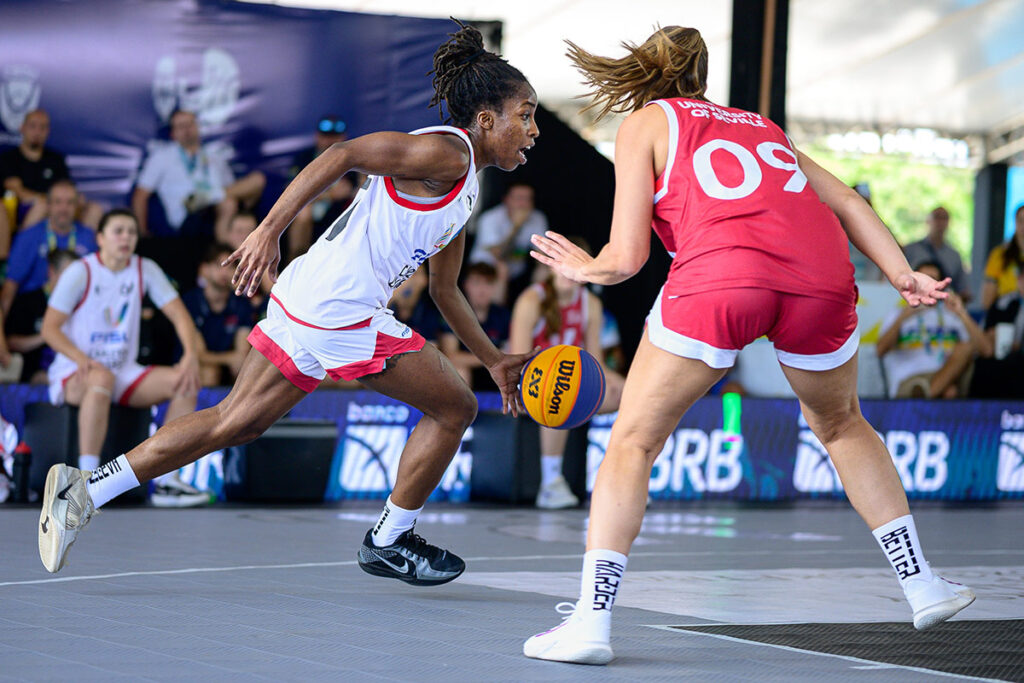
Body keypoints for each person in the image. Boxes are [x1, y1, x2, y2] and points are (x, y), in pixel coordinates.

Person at [523, 26, 973, 665]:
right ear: (702, 77)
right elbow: (844, 199)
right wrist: (902, 274)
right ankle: (922, 583)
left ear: (644, 73)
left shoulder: (645, 125)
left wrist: (585, 267)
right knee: (843, 426)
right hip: (819, 278)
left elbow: (626, 257)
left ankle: (591, 624)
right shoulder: (762, 126)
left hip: (723, 281)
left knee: (633, 441)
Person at [38, 21, 539, 582]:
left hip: (311, 298)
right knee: (456, 408)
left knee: (234, 422)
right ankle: (390, 538)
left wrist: (494, 360)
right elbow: (344, 153)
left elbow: (445, 291)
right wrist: (268, 229)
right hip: (339, 309)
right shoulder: (447, 153)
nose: (534, 130)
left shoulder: (465, 187)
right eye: (526, 114)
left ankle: (83, 492)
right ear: (487, 119)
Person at [40, 209, 209, 508]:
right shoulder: (81, 271)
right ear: (101, 238)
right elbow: (49, 328)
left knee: (185, 383)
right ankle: (86, 481)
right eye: (118, 231)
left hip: (122, 371)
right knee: (101, 377)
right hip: (75, 372)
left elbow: (180, 315)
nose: (126, 238)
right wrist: (80, 358)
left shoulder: (145, 269)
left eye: (131, 232)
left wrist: (191, 356)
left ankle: (167, 482)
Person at [509, 237, 624, 509]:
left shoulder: (589, 304)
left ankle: (620, 477)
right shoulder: (530, 300)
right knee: (559, 390)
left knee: (631, 392)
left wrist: (621, 386)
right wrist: (555, 376)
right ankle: (550, 483)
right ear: (551, 265)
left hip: (571, 379)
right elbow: (515, 360)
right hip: (529, 384)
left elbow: (595, 363)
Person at [0, 180, 98, 369]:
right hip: (34, 311)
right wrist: (2, 340)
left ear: (78, 205)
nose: (64, 208)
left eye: (70, 203)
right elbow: (9, 289)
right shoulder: (29, 237)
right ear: (48, 205)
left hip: (78, 310)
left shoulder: (88, 237)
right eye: (58, 202)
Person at [132, 109, 266, 242]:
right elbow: (140, 196)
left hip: (216, 206)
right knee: (228, 203)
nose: (187, 130)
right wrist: (142, 233)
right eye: (181, 126)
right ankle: (225, 256)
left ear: (197, 126)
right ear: (173, 133)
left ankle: (209, 197)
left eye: (190, 124)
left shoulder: (214, 157)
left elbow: (232, 189)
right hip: (188, 216)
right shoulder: (161, 157)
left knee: (256, 180)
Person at [876, 261, 986, 398]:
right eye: (923, 279)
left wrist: (961, 313)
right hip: (910, 380)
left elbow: (986, 351)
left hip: (945, 375)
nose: (926, 286)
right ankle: (933, 392)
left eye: (932, 280)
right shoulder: (898, 313)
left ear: (940, 286)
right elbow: (880, 350)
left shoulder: (951, 314)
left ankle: (927, 395)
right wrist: (903, 317)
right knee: (949, 392)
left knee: (965, 349)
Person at [0, 108, 103, 230]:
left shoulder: (56, 159)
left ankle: (85, 247)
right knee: (42, 206)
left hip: (57, 206)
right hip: (27, 210)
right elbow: (18, 191)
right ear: (22, 128)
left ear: (48, 131)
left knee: (94, 209)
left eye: (42, 127)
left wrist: (75, 199)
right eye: (32, 126)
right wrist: (48, 201)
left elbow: (67, 187)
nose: (37, 132)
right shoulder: (8, 158)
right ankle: (23, 246)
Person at [182, 243, 257, 386]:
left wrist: (235, 360)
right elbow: (198, 354)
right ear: (203, 269)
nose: (225, 272)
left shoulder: (242, 304)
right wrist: (229, 359)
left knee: (244, 369)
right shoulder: (190, 302)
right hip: (193, 365)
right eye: (219, 265)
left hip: (228, 368)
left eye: (231, 267)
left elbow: (242, 353)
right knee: (210, 372)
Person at [286, 116, 360, 259]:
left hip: (338, 218)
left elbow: (362, 191)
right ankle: (294, 263)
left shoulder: (355, 162)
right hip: (307, 221)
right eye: (326, 136)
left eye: (335, 137)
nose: (330, 142)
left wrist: (352, 191)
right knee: (303, 214)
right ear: (317, 137)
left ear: (344, 138)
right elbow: (289, 195)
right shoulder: (304, 159)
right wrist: (329, 195)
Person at [3, 248, 78, 383]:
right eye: (68, 275)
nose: (73, 281)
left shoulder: (80, 304)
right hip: (34, 371)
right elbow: (11, 343)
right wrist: (50, 334)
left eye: (77, 277)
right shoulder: (27, 301)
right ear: (51, 272)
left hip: (71, 367)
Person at [468, 181, 549, 304]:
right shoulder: (490, 219)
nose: (523, 204)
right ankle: (496, 316)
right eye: (518, 198)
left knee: (544, 269)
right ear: (506, 200)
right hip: (485, 269)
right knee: (502, 268)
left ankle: (536, 309)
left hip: (518, 273)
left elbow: (542, 255)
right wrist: (516, 227)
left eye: (527, 199)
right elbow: (498, 254)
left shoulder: (537, 218)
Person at [439, 261, 510, 388]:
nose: (482, 290)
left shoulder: (503, 315)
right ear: (466, 285)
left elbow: (511, 352)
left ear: (494, 287)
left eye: (488, 283)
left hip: (496, 375)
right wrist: (492, 359)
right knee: (459, 370)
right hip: (468, 375)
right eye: (476, 283)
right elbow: (451, 356)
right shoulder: (454, 314)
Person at [969, 268, 1024, 398]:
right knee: (986, 365)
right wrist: (993, 337)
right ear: (1019, 280)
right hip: (1002, 358)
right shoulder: (1003, 303)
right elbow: (986, 336)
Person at [903, 207, 971, 302]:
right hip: (912, 301)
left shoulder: (954, 255)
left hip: (943, 306)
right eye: (937, 217)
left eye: (944, 218)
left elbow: (962, 289)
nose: (940, 222)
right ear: (928, 221)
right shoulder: (911, 250)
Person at [979, 204, 1024, 312]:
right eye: (1021, 221)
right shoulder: (1000, 255)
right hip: (1005, 314)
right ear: (1015, 223)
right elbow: (987, 299)